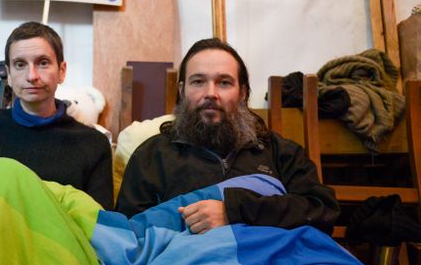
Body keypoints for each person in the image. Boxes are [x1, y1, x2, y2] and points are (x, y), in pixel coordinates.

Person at [115, 38, 340, 234]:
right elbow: (129, 235)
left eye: (224, 82)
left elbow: (322, 211)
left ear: (242, 93)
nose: (210, 93)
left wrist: (234, 211)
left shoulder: (281, 153)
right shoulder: (151, 156)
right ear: (182, 91)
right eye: (198, 81)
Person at [0, 22, 113, 209]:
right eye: (20, 64)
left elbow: (100, 224)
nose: (31, 76)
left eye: (43, 63)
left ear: (62, 71)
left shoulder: (93, 144)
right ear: (8, 74)